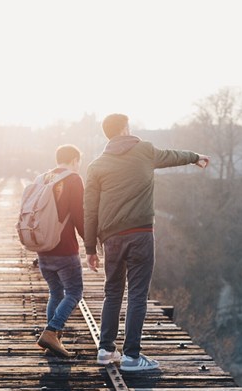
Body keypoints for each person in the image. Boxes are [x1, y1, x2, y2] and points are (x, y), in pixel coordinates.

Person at [84, 113, 209, 371]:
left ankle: (106, 350)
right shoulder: (144, 150)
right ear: (125, 129)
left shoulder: (96, 166)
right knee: (137, 294)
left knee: (113, 292)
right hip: (140, 234)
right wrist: (195, 157)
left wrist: (89, 248)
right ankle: (131, 356)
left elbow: (90, 209)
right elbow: (172, 156)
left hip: (111, 237)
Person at [36, 144, 85, 358]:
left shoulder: (44, 178)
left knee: (56, 292)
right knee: (74, 292)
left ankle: (52, 341)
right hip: (64, 249)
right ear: (74, 160)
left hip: (43, 247)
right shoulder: (73, 179)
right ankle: (52, 330)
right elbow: (79, 215)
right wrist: (90, 244)